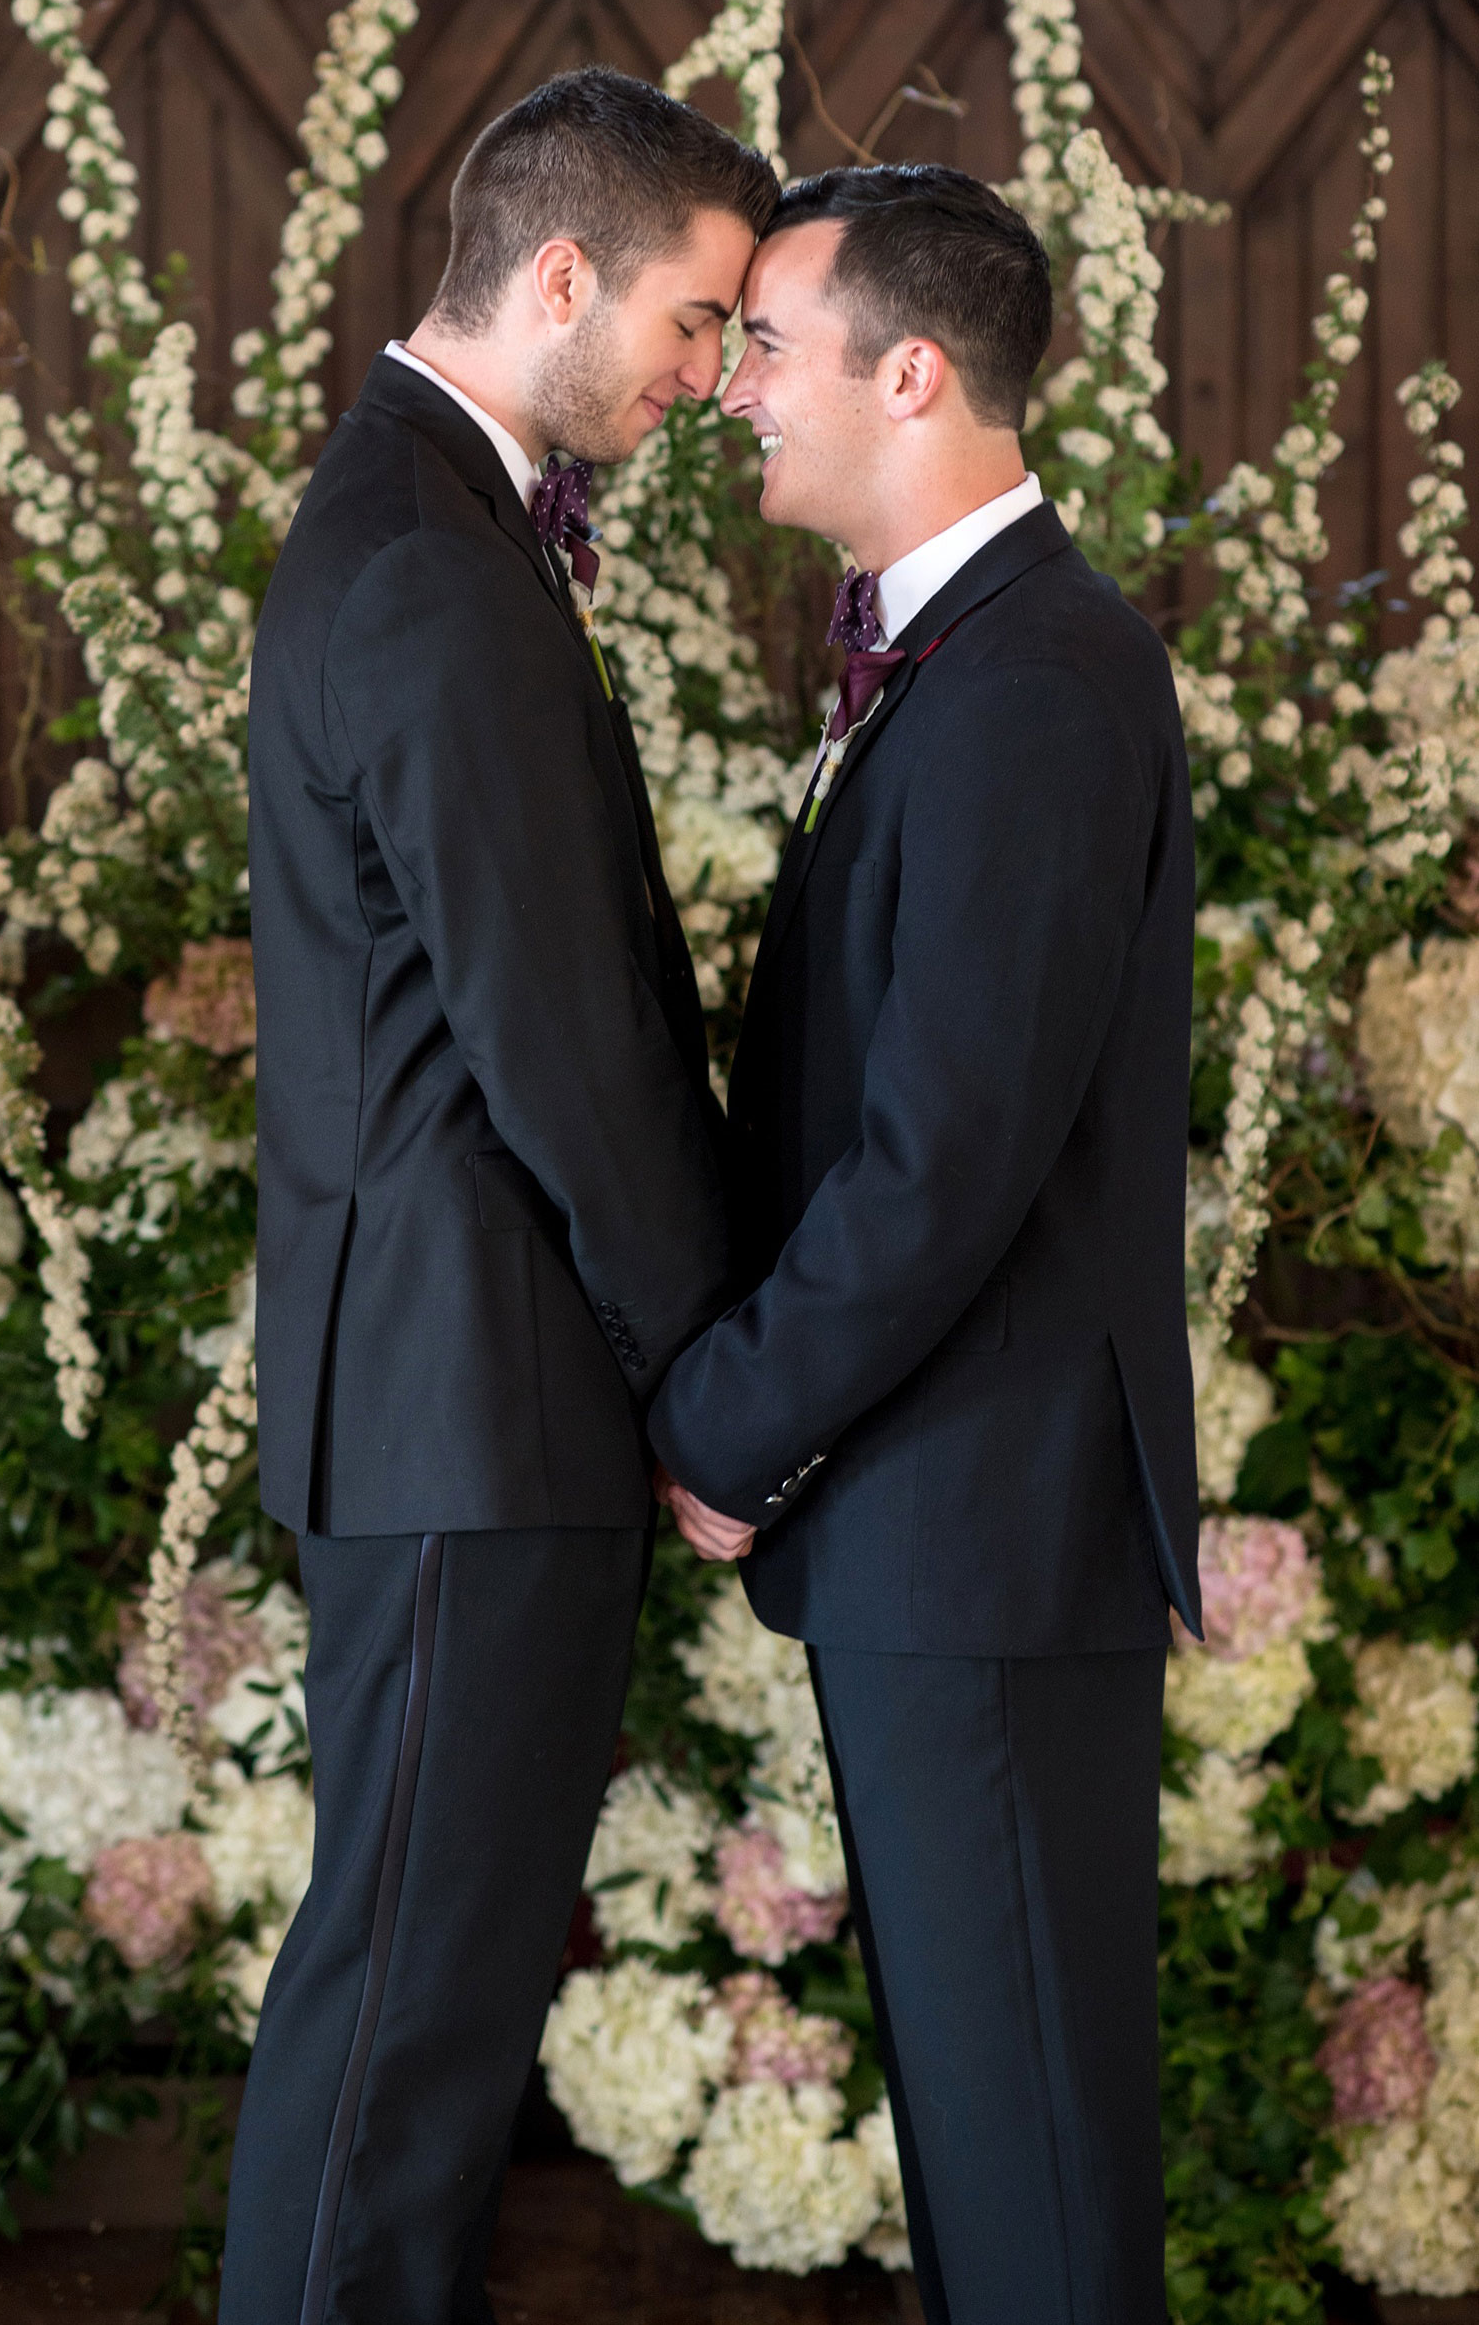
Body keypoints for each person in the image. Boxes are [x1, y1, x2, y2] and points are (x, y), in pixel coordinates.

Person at [225, 66, 779, 2325]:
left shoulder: (420, 523)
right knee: (408, 2026)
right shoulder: (433, 569)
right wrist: (719, 1379)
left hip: (454, 1399)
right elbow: (557, 1042)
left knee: (422, 2012)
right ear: (561, 274)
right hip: (474, 1408)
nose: (711, 372)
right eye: (697, 316)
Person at [649, 162, 1200, 2325]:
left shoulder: (1037, 683)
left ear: (914, 367)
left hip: (979, 1518)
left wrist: (723, 1419)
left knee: (1033, 2147)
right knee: (994, 2138)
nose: (733, 393)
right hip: (943, 1520)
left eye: (766, 344)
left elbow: (940, 1159)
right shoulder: (960, 657)